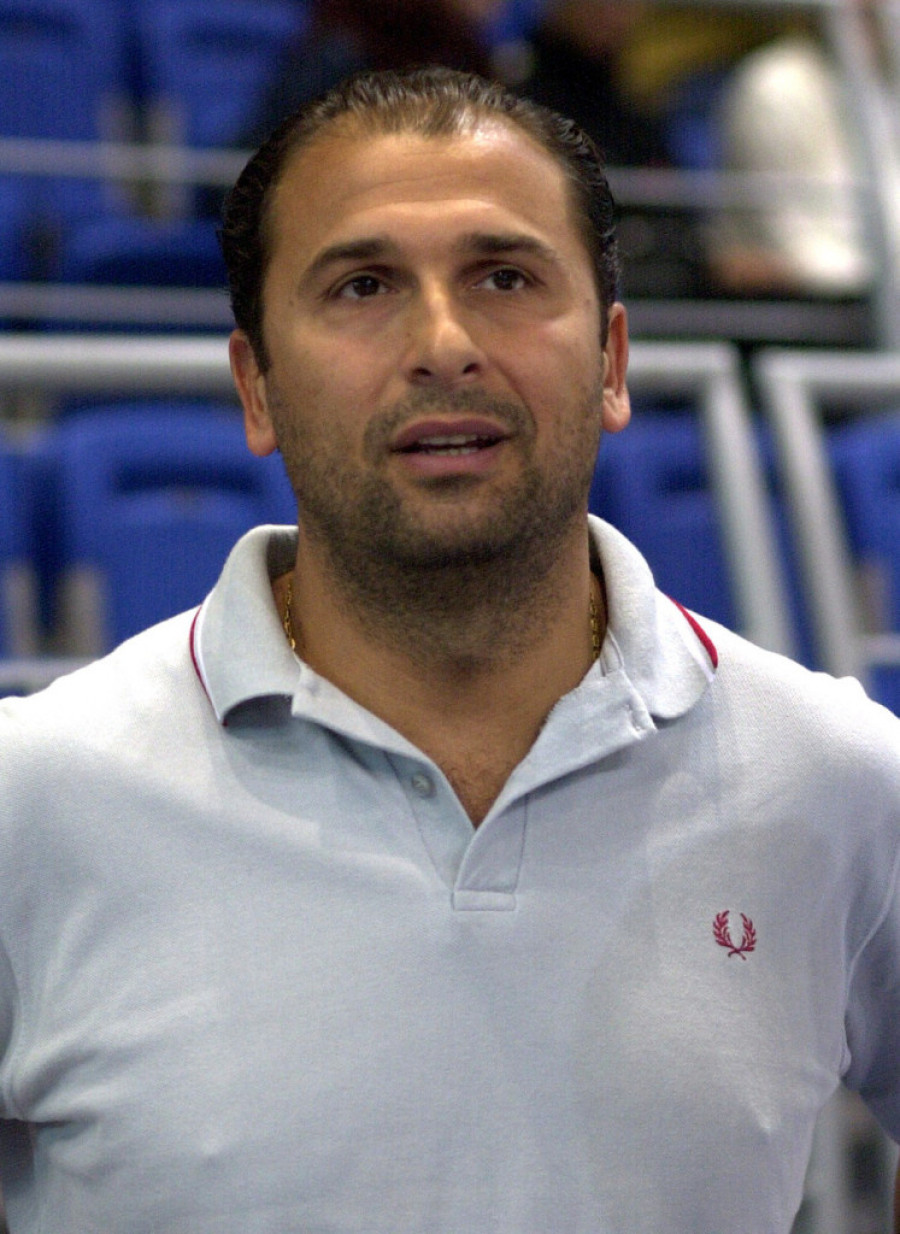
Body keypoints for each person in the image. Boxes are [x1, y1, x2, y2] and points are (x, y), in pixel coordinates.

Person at [0, 66, 898, 1232]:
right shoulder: (33, 797)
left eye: (506, 277)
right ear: (256, 388)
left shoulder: (839, 779)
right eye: (363, 285)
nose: (443, 343)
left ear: (613, 362)